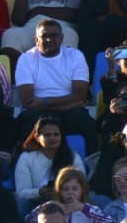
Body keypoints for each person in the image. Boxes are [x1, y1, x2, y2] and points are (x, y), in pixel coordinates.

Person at [15, 20, 96, 152]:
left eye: (54, 36)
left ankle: (92, 162)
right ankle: (26, 161)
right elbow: (28, 102)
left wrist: (45, 101)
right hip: (42, 112)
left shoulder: (75, 56)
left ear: (61, 38)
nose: (49, 39)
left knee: (83, 120)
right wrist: (71, 104)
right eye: (44, 36)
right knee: (27, 121)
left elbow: (81, 95)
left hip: (62, 111)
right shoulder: (26, 59)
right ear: (36, 39)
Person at [2, 0, 82, 66]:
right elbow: (18, 20)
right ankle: (24, 75)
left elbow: (71, 15)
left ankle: (62, 77)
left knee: (68, 34)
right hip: (31, 30)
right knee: (10, 34)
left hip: (60, 29)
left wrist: (38, 10)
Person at [22, 166, 113, 223]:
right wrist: (48, 205)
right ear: (59, 191)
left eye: (75, 189)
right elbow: (29, 222)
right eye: (66, 189)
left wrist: (84, 208)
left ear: (82, 190)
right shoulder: (52, 210)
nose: (70, 192)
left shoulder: (89, 210)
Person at [14, 117, 86, 213]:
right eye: (47, 135)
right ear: (37, 137)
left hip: (69, 203)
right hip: (37, 205)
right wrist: (39, 192)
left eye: (56, 134)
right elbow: (21, 192)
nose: (52, 138)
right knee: (21, 202)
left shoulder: (73, 156)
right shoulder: (26, 157)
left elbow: (82, 184)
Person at [77, 0, 127, 73]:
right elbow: (84, 22)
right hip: (101, 37)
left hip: (124, 36)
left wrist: (107, 19)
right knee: (85, 41)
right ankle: (87, 84)